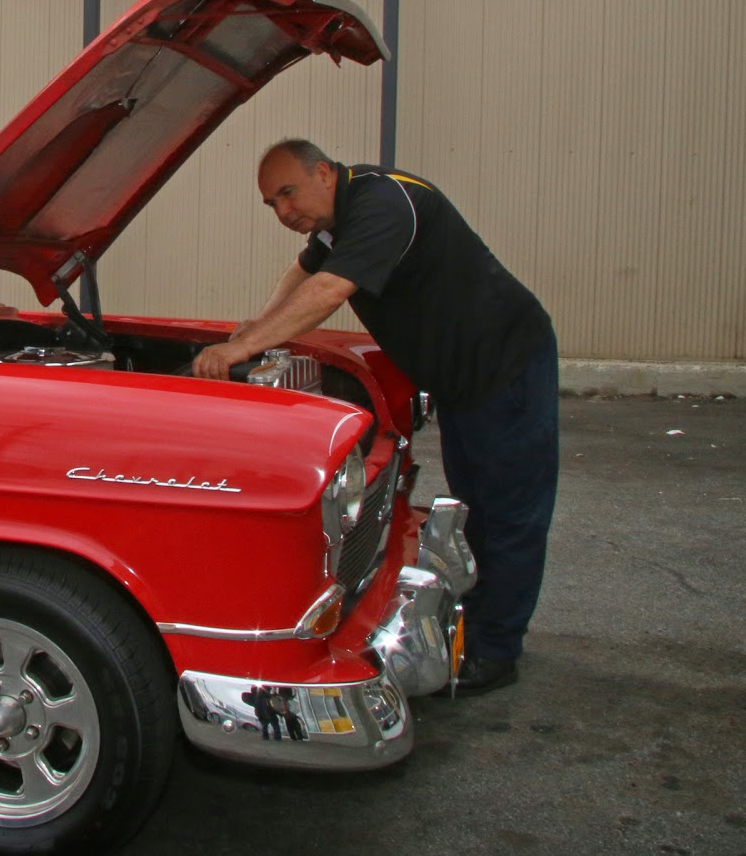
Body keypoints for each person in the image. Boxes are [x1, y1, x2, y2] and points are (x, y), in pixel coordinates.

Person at [193, 139, 558, 695]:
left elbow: (330, 289)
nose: (284, 211)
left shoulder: (384, 205)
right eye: (271, 204)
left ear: (323, 172)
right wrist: (256, 328)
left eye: (288, 192)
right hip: (460, 380)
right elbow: (303, 269)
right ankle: (472, 623)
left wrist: (244, 349)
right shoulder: (333, 222)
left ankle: (495, 651)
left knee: (509, 514)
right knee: (475, 506)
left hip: (504, 367)